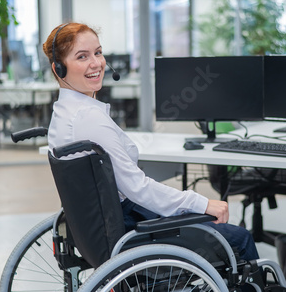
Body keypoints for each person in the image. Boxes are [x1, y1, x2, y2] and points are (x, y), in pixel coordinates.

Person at [42, 22, 259, 261]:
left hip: (103, 228)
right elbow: (138, 189)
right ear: (59, 68)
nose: (96, 63)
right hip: (128, 229)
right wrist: (202, 203)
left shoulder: (63, 112)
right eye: (82, 56)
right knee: (239, 238)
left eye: (98, 52)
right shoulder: (88, 117)